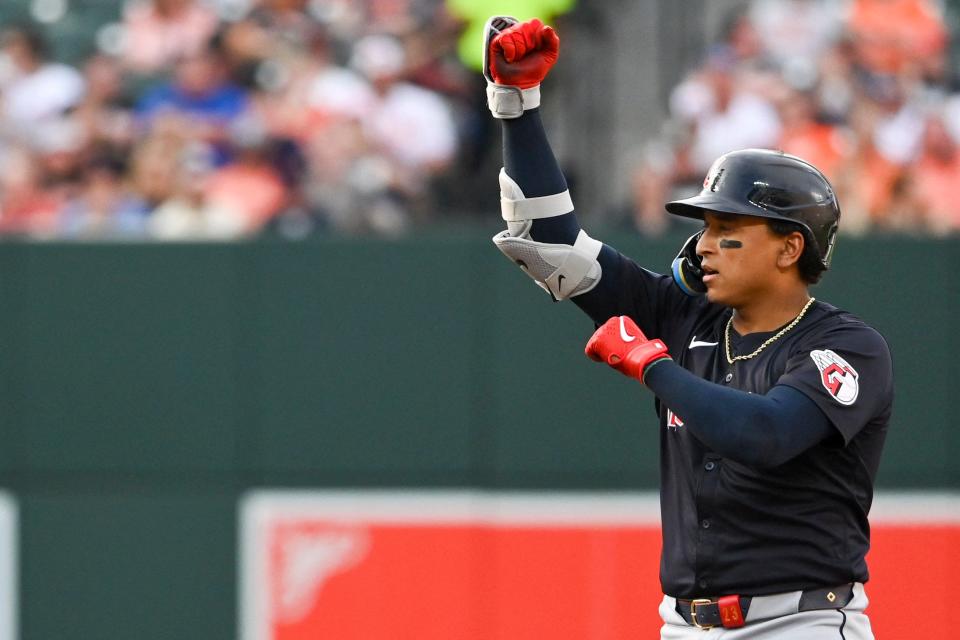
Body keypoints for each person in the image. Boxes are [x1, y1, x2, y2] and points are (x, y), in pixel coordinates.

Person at [482, 16, 892, 639]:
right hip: (685, 625)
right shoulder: (684, 313)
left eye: (727, 230)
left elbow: (766, 435)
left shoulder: (847, 346)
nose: (703, 246)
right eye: (701, 227)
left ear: (789, 248)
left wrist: (652, 365)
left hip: (801, 621)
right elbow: (550, 246)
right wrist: (518, 104)